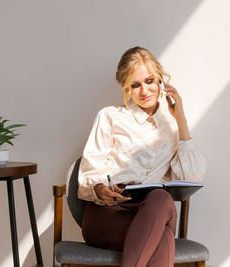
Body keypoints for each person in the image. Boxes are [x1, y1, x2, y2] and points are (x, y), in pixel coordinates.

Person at [77, 46, 207, 267]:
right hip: (108, 215)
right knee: (164, 238)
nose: (145, 90)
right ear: (125, 87)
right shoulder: (109, 117)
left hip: (153, 211)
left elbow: (192, 178)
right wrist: (100, 189)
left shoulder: (171, 128)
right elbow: (88, 175)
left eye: (149, 81)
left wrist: (181, 118)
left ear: (160, 81)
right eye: (135, 85)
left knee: (161, 198)